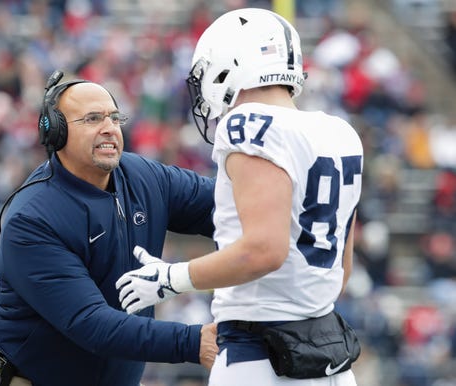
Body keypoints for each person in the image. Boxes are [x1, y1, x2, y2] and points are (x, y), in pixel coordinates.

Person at [116, 8, 363, 386]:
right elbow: (341, 270)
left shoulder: (247, 124)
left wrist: (171, 277)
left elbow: (263, 250)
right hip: (329, 359)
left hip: (260, 358)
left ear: (232, 62)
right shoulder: (338, 131)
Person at [0, 70, 218, 386]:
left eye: (115, 119)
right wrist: (193, 341)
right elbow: (90, 323)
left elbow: (222, 204)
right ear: (56, 132)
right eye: (93, 119)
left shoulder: (142, 176)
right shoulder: (33, 218)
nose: (109, 129)